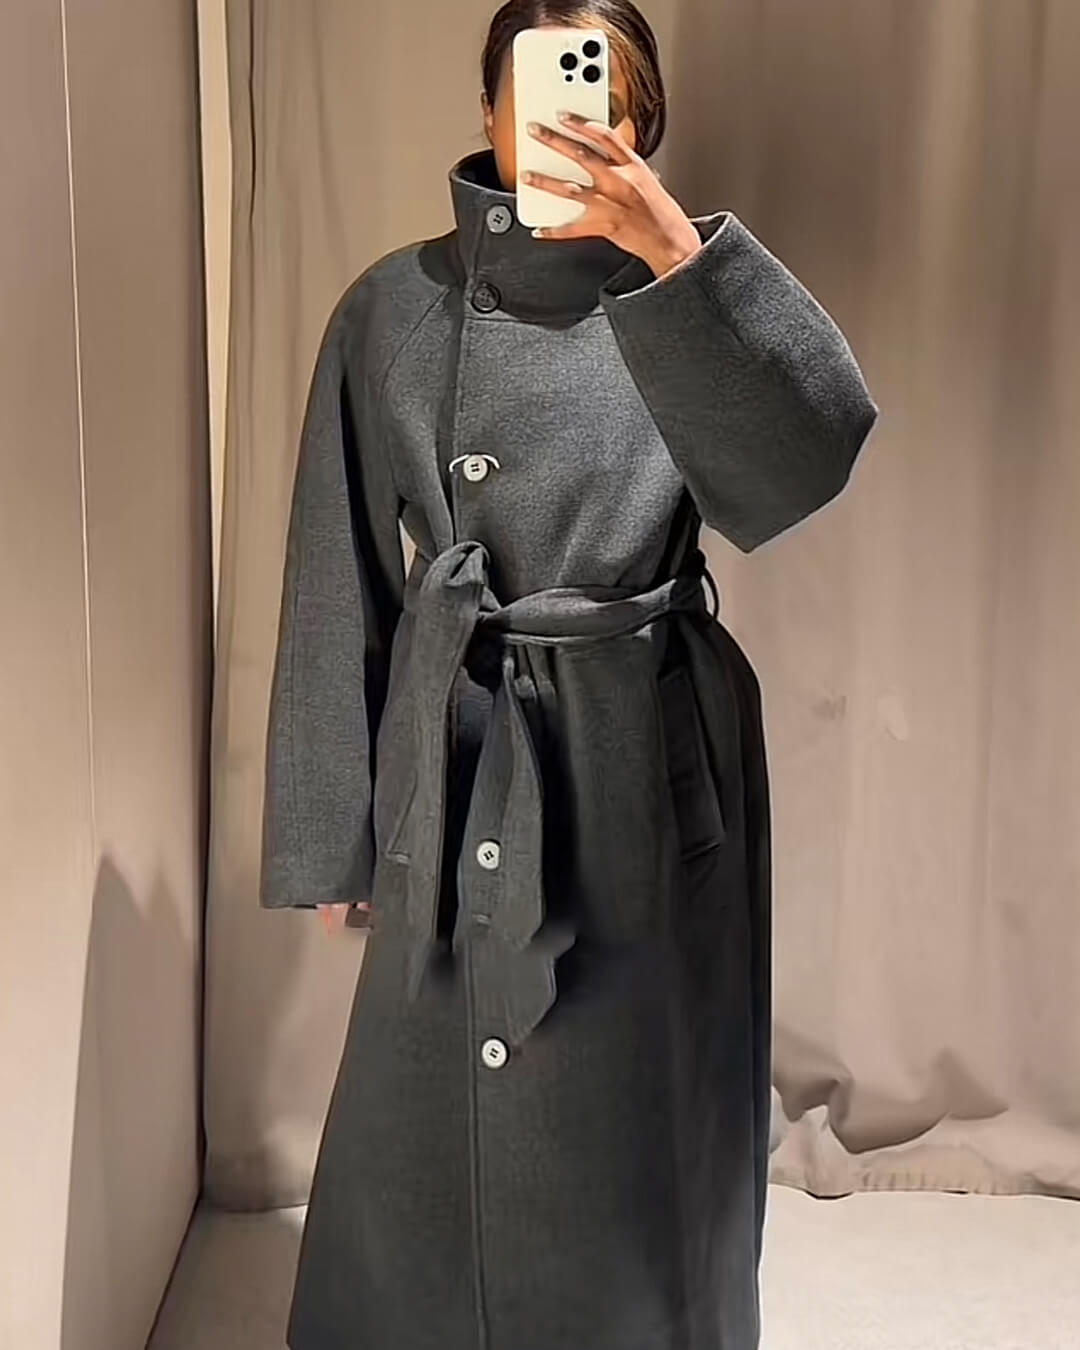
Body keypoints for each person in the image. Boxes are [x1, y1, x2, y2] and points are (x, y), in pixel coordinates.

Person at [259, 1, 879, 1347]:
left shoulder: (681, 298)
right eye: (532, 89)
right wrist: (338, 827)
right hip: (464, 739)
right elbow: (336, 562)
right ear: (488, 108)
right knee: (436, 1091)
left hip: (644, 735)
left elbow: (806, 467)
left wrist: (678, 257)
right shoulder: (395, 307)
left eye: (604, 90)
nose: (565, 116)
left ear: (640, 116)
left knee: (643, 1082)